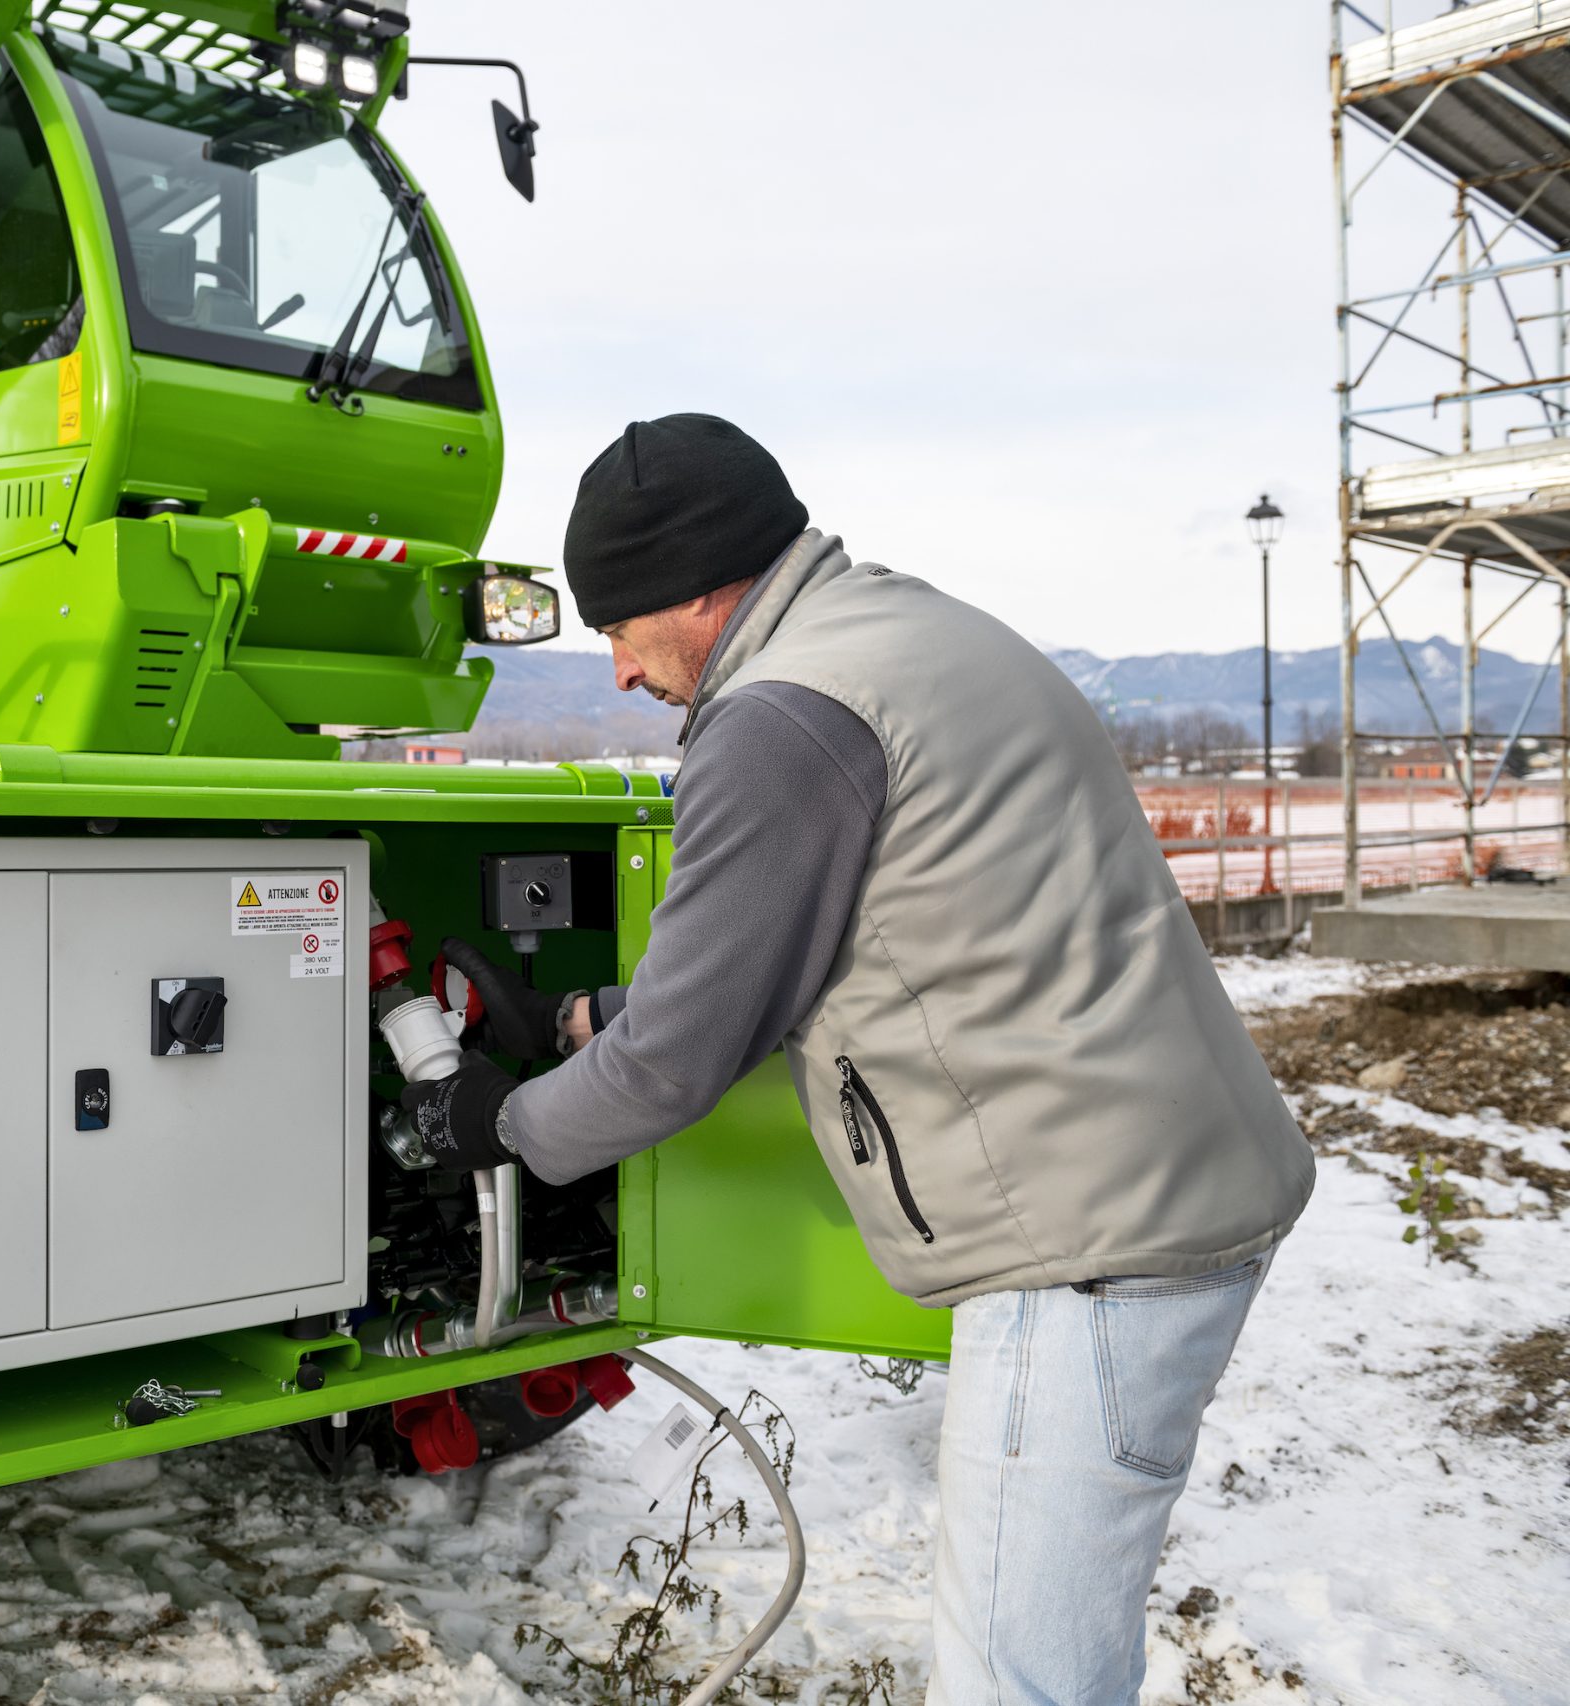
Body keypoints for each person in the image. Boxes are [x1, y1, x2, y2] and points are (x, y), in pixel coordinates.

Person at [402, 414, 1314, 1705]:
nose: (618, 669)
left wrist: (503, 1122)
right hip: (1164, 1188)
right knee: (1055, 1659)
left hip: (1087, 1253)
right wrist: (583, 1017)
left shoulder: (780, 720)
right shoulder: (902, 633)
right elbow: (829, 940)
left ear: (698, 585)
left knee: (1018, 1681)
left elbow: (675, 1064)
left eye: (621, 626)